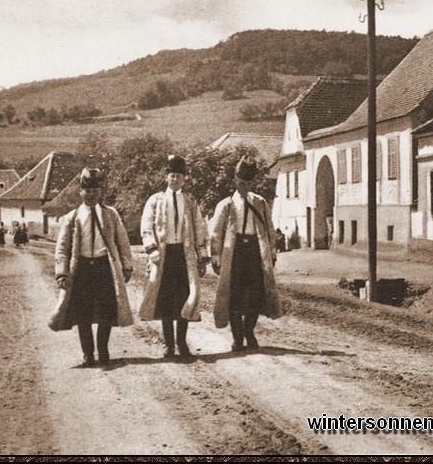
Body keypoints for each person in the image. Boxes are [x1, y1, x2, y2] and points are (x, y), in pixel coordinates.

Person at [49, 167, 134, 368]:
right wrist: (61, 272)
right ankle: (88, 354)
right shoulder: (72, 217)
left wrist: (127, 266)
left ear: (100, 192)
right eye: (87, 190)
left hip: (105, 267)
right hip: (82, 269)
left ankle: (103, 351)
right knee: (83, 313)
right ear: (81, 192)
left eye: (95, 190)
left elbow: (123, 241)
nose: (91, 194)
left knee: (106, 312)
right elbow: (62, 248)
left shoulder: (111, 215)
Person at [209, 156, 283, 352]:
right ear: (235, 180)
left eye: (249, 182)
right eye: (242, 182)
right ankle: (237, 337)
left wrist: (272, 255)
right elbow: (215, 233)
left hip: (255, 252)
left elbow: (269, 230)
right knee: (234, 296)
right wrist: (216, 258)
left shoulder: (260, 203)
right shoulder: (226, 205)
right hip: (233, 253)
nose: (245, 186)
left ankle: (249, 331)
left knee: (255, 295)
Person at [139, 155, 208, 359]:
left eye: (179, 176)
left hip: (184, 256)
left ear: (184, 179)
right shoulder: (156, 200)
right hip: (163, 256)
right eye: (171, 175)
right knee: (166, 301)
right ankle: (169, 345)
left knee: (184, 299)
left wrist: (202, 257)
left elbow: (199, 228)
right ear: (166, 177)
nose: (175, 179)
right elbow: (146, 226)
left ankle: (182, 343)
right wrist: (152, 250)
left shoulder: (190, 201)